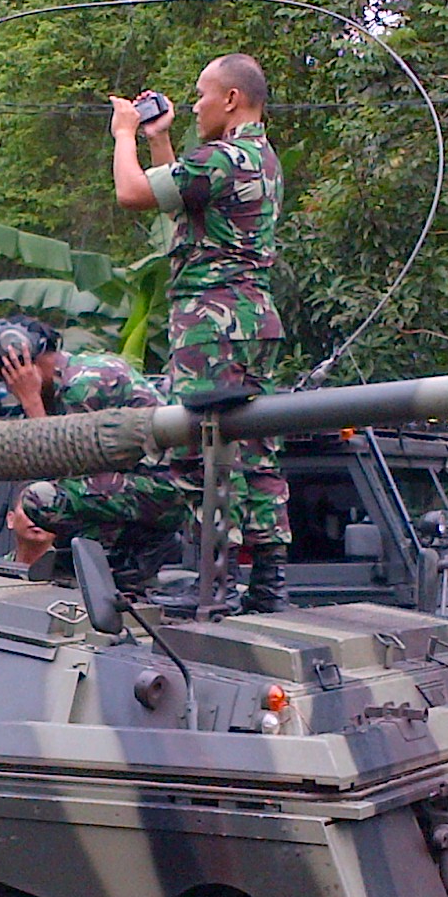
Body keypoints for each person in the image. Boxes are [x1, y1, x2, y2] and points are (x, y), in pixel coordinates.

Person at [109, 54, 292, 612]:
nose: (194, 105)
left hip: (211, 322)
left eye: (201, 95)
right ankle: (268, 583)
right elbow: (182, 202)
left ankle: (217, 583)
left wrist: (125, 135)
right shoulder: (259, 158)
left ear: (232, 99)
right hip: (252, 318)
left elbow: (134, 194)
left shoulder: (222, 158)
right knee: (256, 448)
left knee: (200, 449)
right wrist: (160, 140)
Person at [0, 315, 190, 593]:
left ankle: (147, 545)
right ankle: (130, 556)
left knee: (42, 498)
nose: (10, 389)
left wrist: (31, 400)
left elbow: (59, 464)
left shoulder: (84, 384)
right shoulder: (68, 380)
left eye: (8, 378)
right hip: (146, 484)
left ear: (21, 362)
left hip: (170, 489)